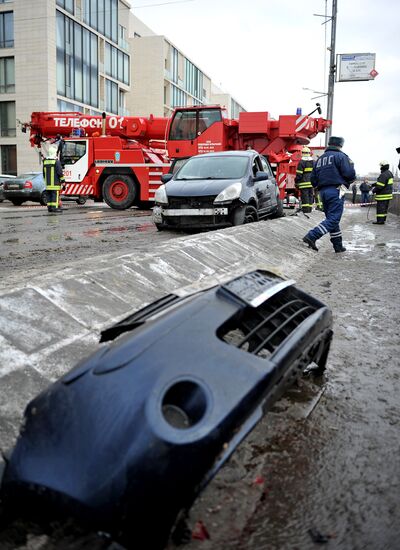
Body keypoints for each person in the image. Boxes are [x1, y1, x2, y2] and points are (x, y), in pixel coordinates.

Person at [302, 136, 356, 253]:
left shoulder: (320, 159)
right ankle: (312, 236)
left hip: (323, 192)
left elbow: (313, 179)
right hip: (336, 190)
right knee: (334, 219)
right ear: (340, 145)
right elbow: (350, 174)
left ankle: (338, 246)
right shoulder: (341, 157)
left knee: (331, 219)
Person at [43, 145, 65, 213]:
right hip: (55, 184)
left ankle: (50, 208)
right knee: (54, 196)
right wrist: (63, 181)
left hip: (48, 184)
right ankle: (55, 208)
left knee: (49, 196)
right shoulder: (56, 162)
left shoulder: (45, 162)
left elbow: (44, 173)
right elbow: (60, 173)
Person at [295, 146, 314, 213]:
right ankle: (310, 209)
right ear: (309, 153)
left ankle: (306, 210)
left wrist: (296, 182)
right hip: (311, 183)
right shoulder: (313, 162)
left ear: (302, 153)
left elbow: (299, 174)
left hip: (303, 183)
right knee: (310, 195)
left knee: (305, 196)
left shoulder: (301, 162)